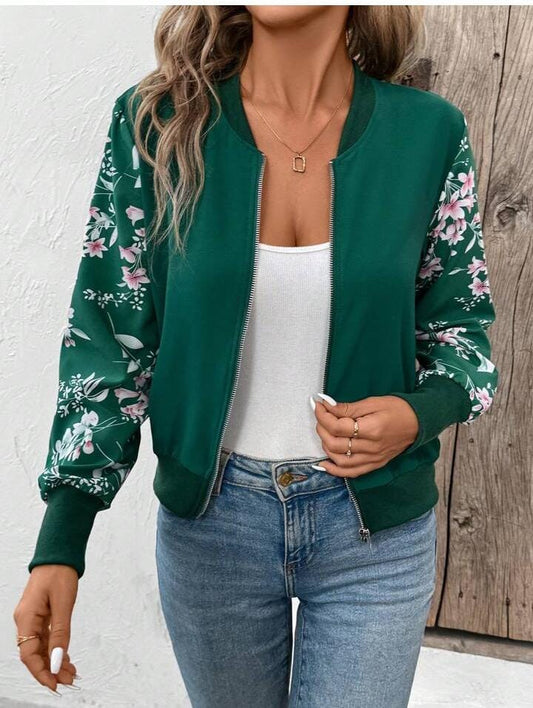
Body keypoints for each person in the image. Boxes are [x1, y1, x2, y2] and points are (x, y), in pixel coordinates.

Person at [14, 5, 499, 707]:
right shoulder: (158, 126)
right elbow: (108, 338)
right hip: (213, 530)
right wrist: (62, 540)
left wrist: (416, 414)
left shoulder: (428, 133)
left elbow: (462, 334)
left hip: (374, 538)